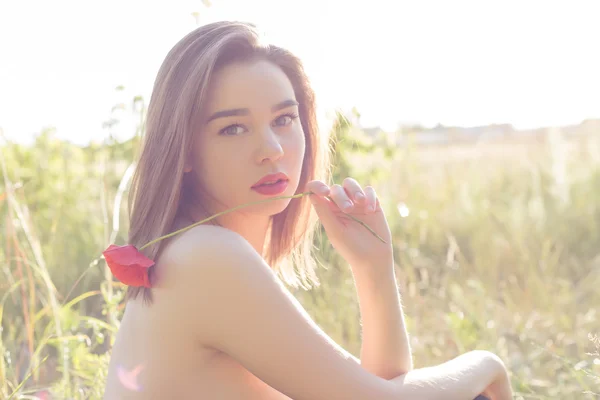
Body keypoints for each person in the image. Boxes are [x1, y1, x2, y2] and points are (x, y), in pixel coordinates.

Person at [103, 21, 513, 399]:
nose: (272, 150)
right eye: (233, 128)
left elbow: (376, 386)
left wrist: (373, 267)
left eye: (283, 119)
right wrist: (487, 365)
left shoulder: (198, 250)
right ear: (184, 149)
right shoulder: (205, 256)